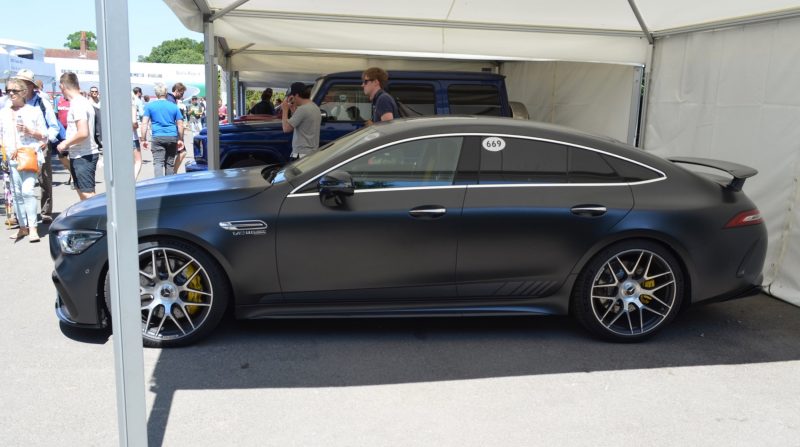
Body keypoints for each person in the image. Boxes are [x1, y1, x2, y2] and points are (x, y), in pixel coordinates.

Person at [0, 78, 48, 242]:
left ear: (24, 92)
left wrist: (30, 132)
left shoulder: (33, 111)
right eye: (8, 91)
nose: (11, 93)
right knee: (17, 194)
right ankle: (23, 227)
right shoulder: (3, 112)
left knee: (27, 191)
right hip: (11, 157)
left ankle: (33, 228)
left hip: (29, 156)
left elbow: (45, 135)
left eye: (14, 90)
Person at [14, 69, 59, 223]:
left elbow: (54, 126)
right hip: (19, 147)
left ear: (32, 86)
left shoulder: (42, 102)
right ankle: (19, 213)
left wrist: (46, 140)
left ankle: (46, 212)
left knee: (44, 179)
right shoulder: (12, 103)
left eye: (24, 83)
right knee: (18, 180)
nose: (20, 87)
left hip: (40, 145)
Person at [56, 72, 100, 201]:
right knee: (83, 193)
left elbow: (83, 132)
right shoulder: (82, 102)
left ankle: (98, 220)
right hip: (81, 154)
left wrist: (65, 143)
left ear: (62, 86)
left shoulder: (78, 104)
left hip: (84, 155)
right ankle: (91, 219)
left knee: (88, 195)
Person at [140, 83, 184, 177]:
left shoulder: (150, 106)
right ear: (166, 92)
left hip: (157, 137)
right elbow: (180, 124)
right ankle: (169, 187)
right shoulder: (174, 106)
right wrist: (180, 139)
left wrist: (143, 139)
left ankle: (159, 186)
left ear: (156, 94)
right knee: (169, 163)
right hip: (172, 136)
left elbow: (144, 124)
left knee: (158, 163)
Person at [281, 82, 321, 159]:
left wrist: (285, 110)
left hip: (300, 154)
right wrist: (293, 109)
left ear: (296, 95)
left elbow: (286, 129)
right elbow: (301, 122)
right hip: (311, 153)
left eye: (291, 97)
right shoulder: (315, 107)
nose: (291, 99)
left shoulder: (303, 109)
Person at [167, 83, 188, 173]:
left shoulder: (169, 99)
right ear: (176, 91)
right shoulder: (171, 100)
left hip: (167, 131)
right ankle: (173, 172)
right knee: (182, 152)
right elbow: (174, 118)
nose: (182, 95)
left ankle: (172, 172)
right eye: (182, 93)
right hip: (172, 131)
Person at [132, 87, 145, 179]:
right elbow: (140, 115)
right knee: (138, 161)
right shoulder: (136, 102)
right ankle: (132, 180)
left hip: (119, 137)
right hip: (133, 135)